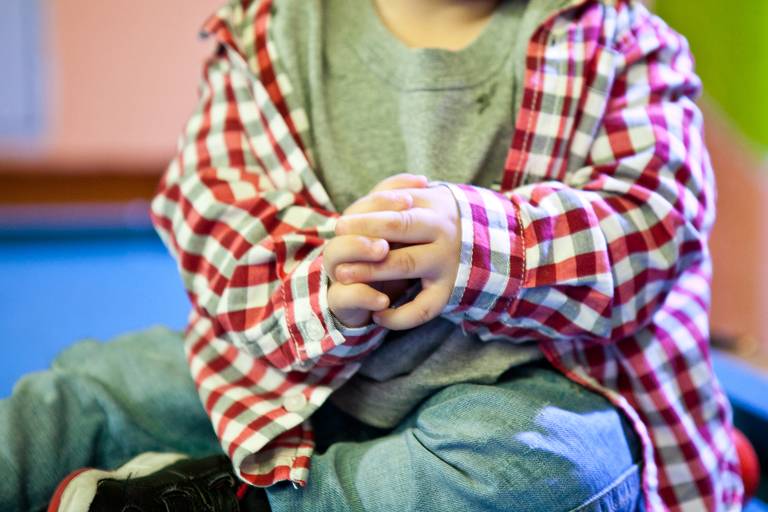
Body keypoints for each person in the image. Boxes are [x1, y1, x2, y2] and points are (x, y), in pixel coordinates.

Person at [0, 0, 744, 510]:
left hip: (510, 391)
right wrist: (320, 284)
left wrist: (482, 243)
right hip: (293, 376)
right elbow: (217, 216)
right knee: (100, 387)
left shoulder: (619, 39)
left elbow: (656, 219)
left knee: (567, 466)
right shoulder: (273, 31)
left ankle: (225, 497)